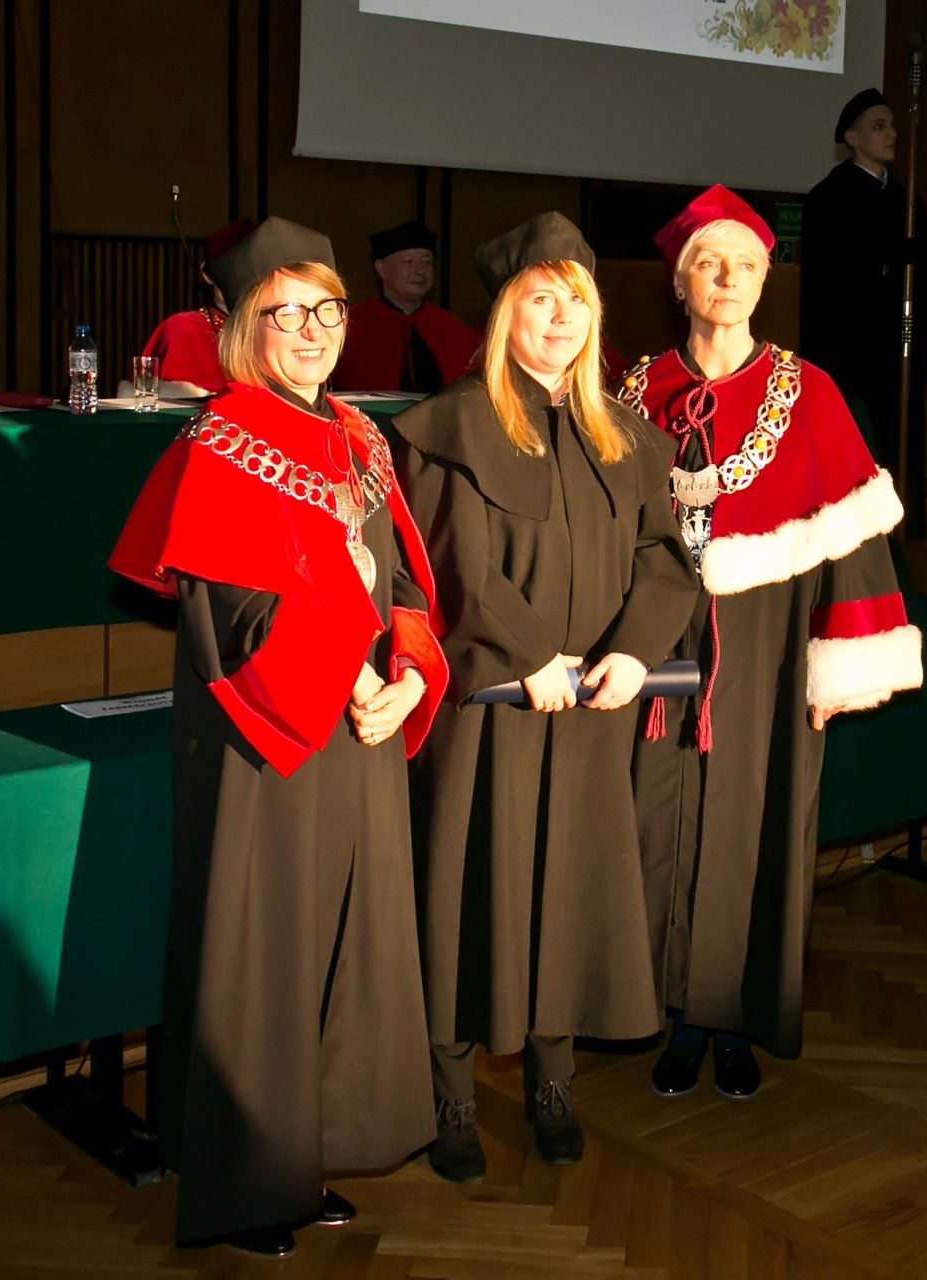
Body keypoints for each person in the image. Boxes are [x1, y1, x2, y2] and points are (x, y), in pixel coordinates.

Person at [107, 217, 450, 1258]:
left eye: (326, 309)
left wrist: (409, 673)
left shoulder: (360, 436)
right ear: (242, 328)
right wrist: (351, 670)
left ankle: (307, 1153)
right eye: (284, 312)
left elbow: (402, 579)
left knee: (342, 939)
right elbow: (234, 613)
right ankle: (247, 1184)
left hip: (357, 730)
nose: (311, 330)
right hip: (264, 737)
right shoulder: (220, 440)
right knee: (262, 948)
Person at [393, 212, 697, 1180]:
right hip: (491, 706)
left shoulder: (625, 434)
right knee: (466, 887)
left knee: (570, 887)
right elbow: (454, 570)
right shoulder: (451, 425)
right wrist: (530, 659)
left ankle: (553, 1081)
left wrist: (632, 655)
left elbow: (664, 559)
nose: (561, 318)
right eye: (540, 299)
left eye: (576, 301)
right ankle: (447, 1095)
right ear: (504, 315)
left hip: (592, 709)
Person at [618, 185, 923, 1102]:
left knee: (752, 820)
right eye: (709, 264)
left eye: (746, 264)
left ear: (765, 279)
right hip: (654, 639)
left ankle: (731, 1019)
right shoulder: (636, 391)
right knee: (656, 818)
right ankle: (666, 1012)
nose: (729, 279)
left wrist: (845, 662)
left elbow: (854, 540)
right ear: (679, 282)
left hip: (769, 642)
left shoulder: (808, 390)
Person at [799, 88, 927, 529]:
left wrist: (920, 353)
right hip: (851, 357)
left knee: (900, 446)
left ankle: (903, 526)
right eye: (879, 126)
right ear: (852, 138)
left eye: (893, 125)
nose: (892, 134)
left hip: (898, 354)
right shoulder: (829, 199)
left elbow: (925, 285)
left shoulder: (906, 201)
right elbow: (829, 286)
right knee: (857, 452)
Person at [333, 220, 479, 393]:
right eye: (408, 262)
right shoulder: (351, 326)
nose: (419, 271)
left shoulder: (451, 327)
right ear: (381, 268)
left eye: (427, 262)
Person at [138, 218, 254, 393]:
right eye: (229, 269)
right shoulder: (181, 328)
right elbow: (143, 398)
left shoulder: (278, 328)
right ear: (207, 274)